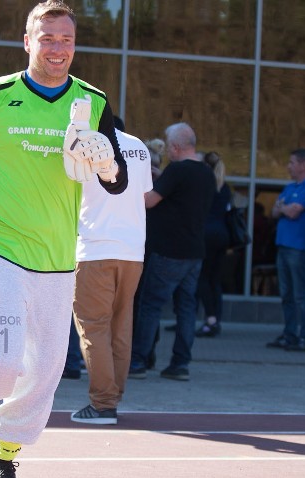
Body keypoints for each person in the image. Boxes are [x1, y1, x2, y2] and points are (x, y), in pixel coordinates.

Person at [0, 0, 127, 478]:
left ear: (74, 45)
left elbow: (117, 181)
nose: (57, 48)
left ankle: (5, 459)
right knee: (2, 362)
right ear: (28, 43)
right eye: (47, 39)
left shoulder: (93, 103)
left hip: (58, 256)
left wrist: (105, 161)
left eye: (65, 39)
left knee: (44, 371)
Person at [70, 117, 152, 425]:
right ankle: (112, 398)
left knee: (94, 328)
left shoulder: (84, 147)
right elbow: (142, 196)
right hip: (132, 251)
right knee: (121, 327)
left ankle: (103, 404)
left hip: (95, 248)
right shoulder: (139, 147)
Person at [129, 122, 215, 381]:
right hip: (194, 252)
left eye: (168, 145)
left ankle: (138, 361)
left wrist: (137, 179)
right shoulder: (206, 172)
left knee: (150, 306)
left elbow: (149, 200)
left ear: (176, 147)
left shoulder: (177, 170)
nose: (166, 149)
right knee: (186, 309)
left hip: (169, 251)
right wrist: (160, 176)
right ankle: (180, 364)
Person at [266, 149, 305, 351]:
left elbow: (292, 212)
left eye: (291, 162)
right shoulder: (290, 187)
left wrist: (283, 207)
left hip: (298, 248)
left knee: (300, 294)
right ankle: (289, 334)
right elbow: (274, 211)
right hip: (283, 246)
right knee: (286, 294)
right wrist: (283, 207)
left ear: (303, 165)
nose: (288, 166)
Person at [194, 151, 232, 338]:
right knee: (215, 279)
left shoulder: (204, 185)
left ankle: (210, 320)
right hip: (222, 235)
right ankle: (215, 319)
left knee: (202, 278)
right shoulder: (224, 187)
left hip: (206, 235)